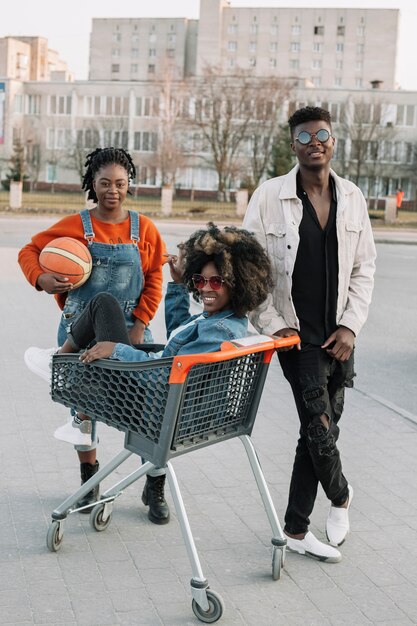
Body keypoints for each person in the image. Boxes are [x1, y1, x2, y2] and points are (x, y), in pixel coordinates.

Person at [24, 223, 273, 518]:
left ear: (237, 283)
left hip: (154, 406)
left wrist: (116, 350)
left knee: (102, 306)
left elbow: (168, 374)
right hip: (163, 401)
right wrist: (179, 285)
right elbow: (179, 336)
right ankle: (73, 392)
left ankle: (61, 369)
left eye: (216, 282)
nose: (206, 288)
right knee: (105, 312)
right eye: (200, 280)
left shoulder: (218, 330)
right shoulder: (222, 320)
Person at [243, 106, 376, 563]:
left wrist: (351, 326)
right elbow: (249, 270)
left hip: (339, 336)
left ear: (334, 141)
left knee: (315, 431)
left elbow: (364, 269)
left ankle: (296, 530)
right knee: (320, 431)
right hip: (295, 337)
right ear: (293, 144)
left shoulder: (353, 197)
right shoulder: (269, 196)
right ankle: (340, 497)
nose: (315, 141)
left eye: (323, 133)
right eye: (305, 135)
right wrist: (272, 323)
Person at [18, 147, 167, 521]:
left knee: (146, 408)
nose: (112, 190)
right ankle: (89, 482)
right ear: (92, 185)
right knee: (84, 412)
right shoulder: (75, 225)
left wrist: (138, 326)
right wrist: (42, 278)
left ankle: (156, 484)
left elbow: (153, 279)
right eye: (104, 183)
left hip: (130, 334)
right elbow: (29, 250)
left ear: (129, 184)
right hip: (78, 332)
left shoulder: (144, 229)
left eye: (120, 183)